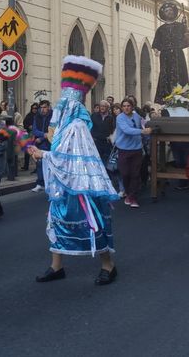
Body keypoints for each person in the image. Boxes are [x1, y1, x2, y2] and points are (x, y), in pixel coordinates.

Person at [28, 56, 119, 286]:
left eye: (62, 105)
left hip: (81, 186)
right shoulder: (65, 126)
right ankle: (56, 266)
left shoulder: (77, 126)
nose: (58, 109)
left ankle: (108, 265)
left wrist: (44, 155)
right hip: (62, 184)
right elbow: (59, 150)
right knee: (57, 221)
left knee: (91, 222)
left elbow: (74, 160)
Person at [152, 1, 189, 103]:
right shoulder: (160, 29)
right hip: (165, 56)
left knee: (180, 73)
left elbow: (187, 42)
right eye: (166, 11)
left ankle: (182, 95)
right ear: (163, 14)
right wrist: (156, 50)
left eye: (170, 10)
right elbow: (156, 43)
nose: (169, 12)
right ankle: (167, 96)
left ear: (174, 12)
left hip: (177, 54)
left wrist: (188, 37)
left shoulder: (181, 26)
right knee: (166, 75)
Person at [116, 99, 152, 208]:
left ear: (132, 107)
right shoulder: (120, 118)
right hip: (123, 149)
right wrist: (142, 131)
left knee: (135, 174)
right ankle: (128, 193)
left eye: (128, 106)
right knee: (125, 173)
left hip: (136, 149)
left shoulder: (137, 116)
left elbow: (144, 125)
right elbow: (127, 130)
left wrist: (148, 132)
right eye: (124, 106)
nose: (126, 108)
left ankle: (133, 197)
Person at [30, 100, 52, 192]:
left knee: (50, 164)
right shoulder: (37, 117)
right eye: (41, 107)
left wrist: (42, 137)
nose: (42, 109)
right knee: (39, 163)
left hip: (50, 143)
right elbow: (35, 131)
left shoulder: (53, 117)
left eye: (44, 107)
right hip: (40, 144)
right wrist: (44, 135)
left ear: (48, 107)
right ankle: (40, 183)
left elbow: (52, 132)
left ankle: (50, 183)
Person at [91, 100, 114, 164]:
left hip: (106, 143)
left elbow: (112, 129)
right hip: (96, 142)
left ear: (107, 107)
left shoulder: (110, 118)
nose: (102, 108)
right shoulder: (94, 116)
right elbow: (90, 127)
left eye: (104, 106)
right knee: (96, 161)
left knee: (106, 161)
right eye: (101, 106)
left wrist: (111, 137)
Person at [21, 103, 38, 171]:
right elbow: (25, 124)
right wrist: (28, 126)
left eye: (36, 108)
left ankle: (37, 167)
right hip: (29, 135)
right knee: (27, 151)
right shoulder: (29, 116)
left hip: (36, 136)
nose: (34, 110)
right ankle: (26, 165)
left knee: (36, 150)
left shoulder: (39, 116)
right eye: (33, 108)